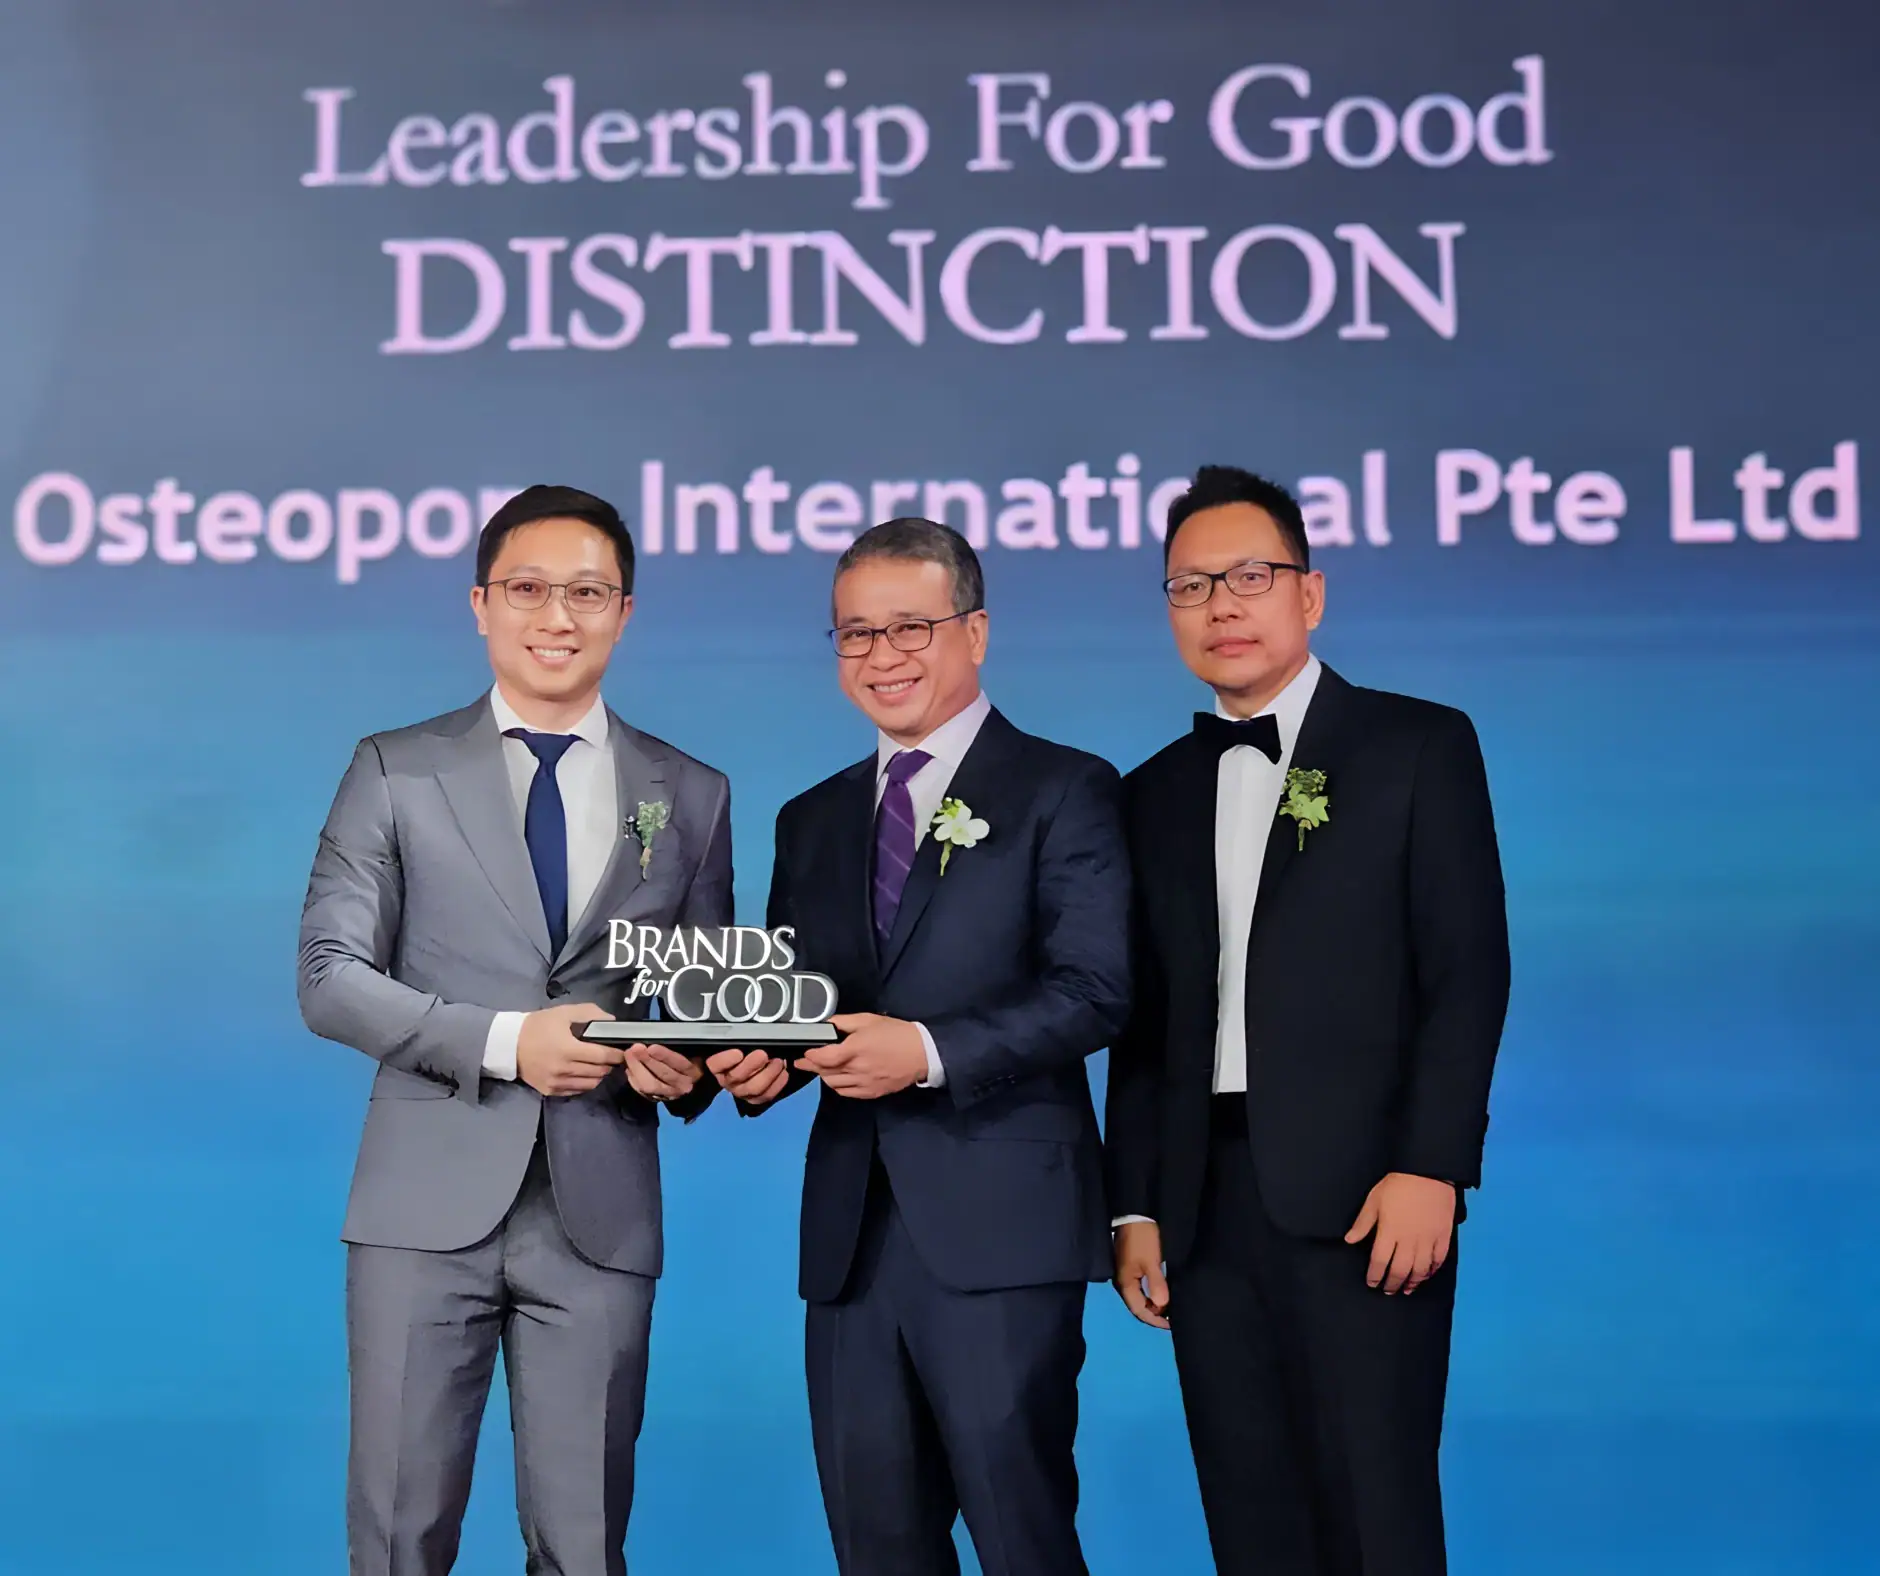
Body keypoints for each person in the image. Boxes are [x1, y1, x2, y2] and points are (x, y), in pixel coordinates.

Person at [297, 484, 730, 1576]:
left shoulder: (691, 793)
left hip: (600, 1215)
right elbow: (330, 979)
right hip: (421, 1209)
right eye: (529, 589)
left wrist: (683, 1068)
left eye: (587, 592)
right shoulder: (395, 768)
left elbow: (699, 1008)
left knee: (583, 1549)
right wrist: (507, 1041)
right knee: (397, 1540)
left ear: (624, 612)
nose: (557, 617)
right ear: (480, 604)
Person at [1105, 466, 1510, 1576]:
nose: (1220, 606)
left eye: (1249, 576)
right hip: (1202, 1208)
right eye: (1191, 586)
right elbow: (1144, 1019)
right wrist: (1134, 1201)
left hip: (1368, 1198)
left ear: (1310, 593)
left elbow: (1467, 971)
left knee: (1377, 1514)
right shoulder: (1150, 792)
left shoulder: (1416, 746)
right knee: (1251, 1523)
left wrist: (1432, 1165)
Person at [708, 518, 1131, 1576]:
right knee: (875, 1545)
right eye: (855, 633)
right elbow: (800, 1005)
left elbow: (1094, 991)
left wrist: (927, 1052)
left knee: (1021, 1537)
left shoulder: (1064, 787)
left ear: (974, 632)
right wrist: (757, 1067)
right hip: (851, 1241)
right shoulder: (811, 818)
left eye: (910, 627)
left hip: (1003, 1229)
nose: (881, 655)